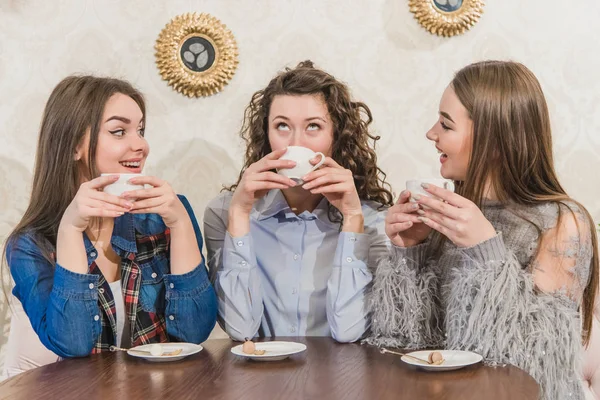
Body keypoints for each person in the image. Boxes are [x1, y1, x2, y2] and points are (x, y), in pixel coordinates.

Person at [366, 60, 598, 400]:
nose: (431, 133)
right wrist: (408, 251)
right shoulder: (449, 215)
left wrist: (484, 251)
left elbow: (538, 363)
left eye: (445, 124)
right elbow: (403, 344)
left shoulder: (563, 221)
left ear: (493, 139)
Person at [3, 75, 217, 374]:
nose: (141, 144)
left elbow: (194, 332)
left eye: (140, 130)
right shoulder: (30, 244)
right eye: (119, 131)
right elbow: (73, 343)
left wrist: (180, 223)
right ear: (74, 146)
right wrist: (69, 231)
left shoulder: (165, 217)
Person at [204, 61, 393, 343]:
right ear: (266, 135)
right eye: (282, 126)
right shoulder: (224, 213)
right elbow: (241, 329)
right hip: (258, 381)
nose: (296, 144)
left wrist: (352, 218)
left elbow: (349, 332)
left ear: (336, 136)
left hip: (342, 381)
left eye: (313, 127)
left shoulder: (375, 221)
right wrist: (240, 215)